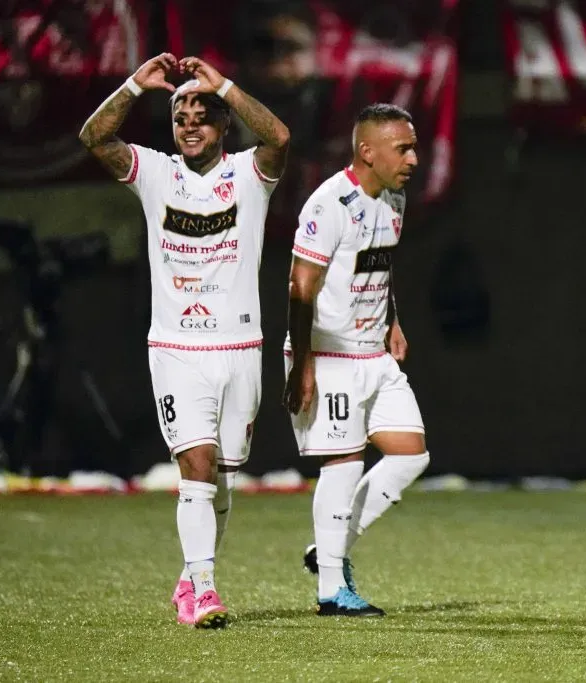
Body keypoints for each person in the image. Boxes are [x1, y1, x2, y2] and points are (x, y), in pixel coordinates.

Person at [79, 53, 290, 627]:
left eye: (202, 114)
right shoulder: (156, 173)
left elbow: (278, 135)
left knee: (221, 475)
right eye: (180, 116)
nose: (190, 124)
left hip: (241, 347)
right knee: (194, 462)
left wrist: (221, 80)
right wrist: (132, 86)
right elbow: (94, 137)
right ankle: (203, 589)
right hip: (176, 348)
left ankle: (190, 577)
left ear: (223, 125)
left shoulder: (249, 174)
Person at [283, 103, 429, 617]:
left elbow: (379, 267)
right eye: (403, 148)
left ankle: (329, 549)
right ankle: (330, 592)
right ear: (367, 151)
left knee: (412, 454)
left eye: (414, 146)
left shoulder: (394, 198)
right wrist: (303, 366)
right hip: (330, 355)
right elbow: (301, 289)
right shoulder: (329, 205)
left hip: (373, 351)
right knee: (343, 466)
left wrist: (394, 319)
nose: (414, 157)